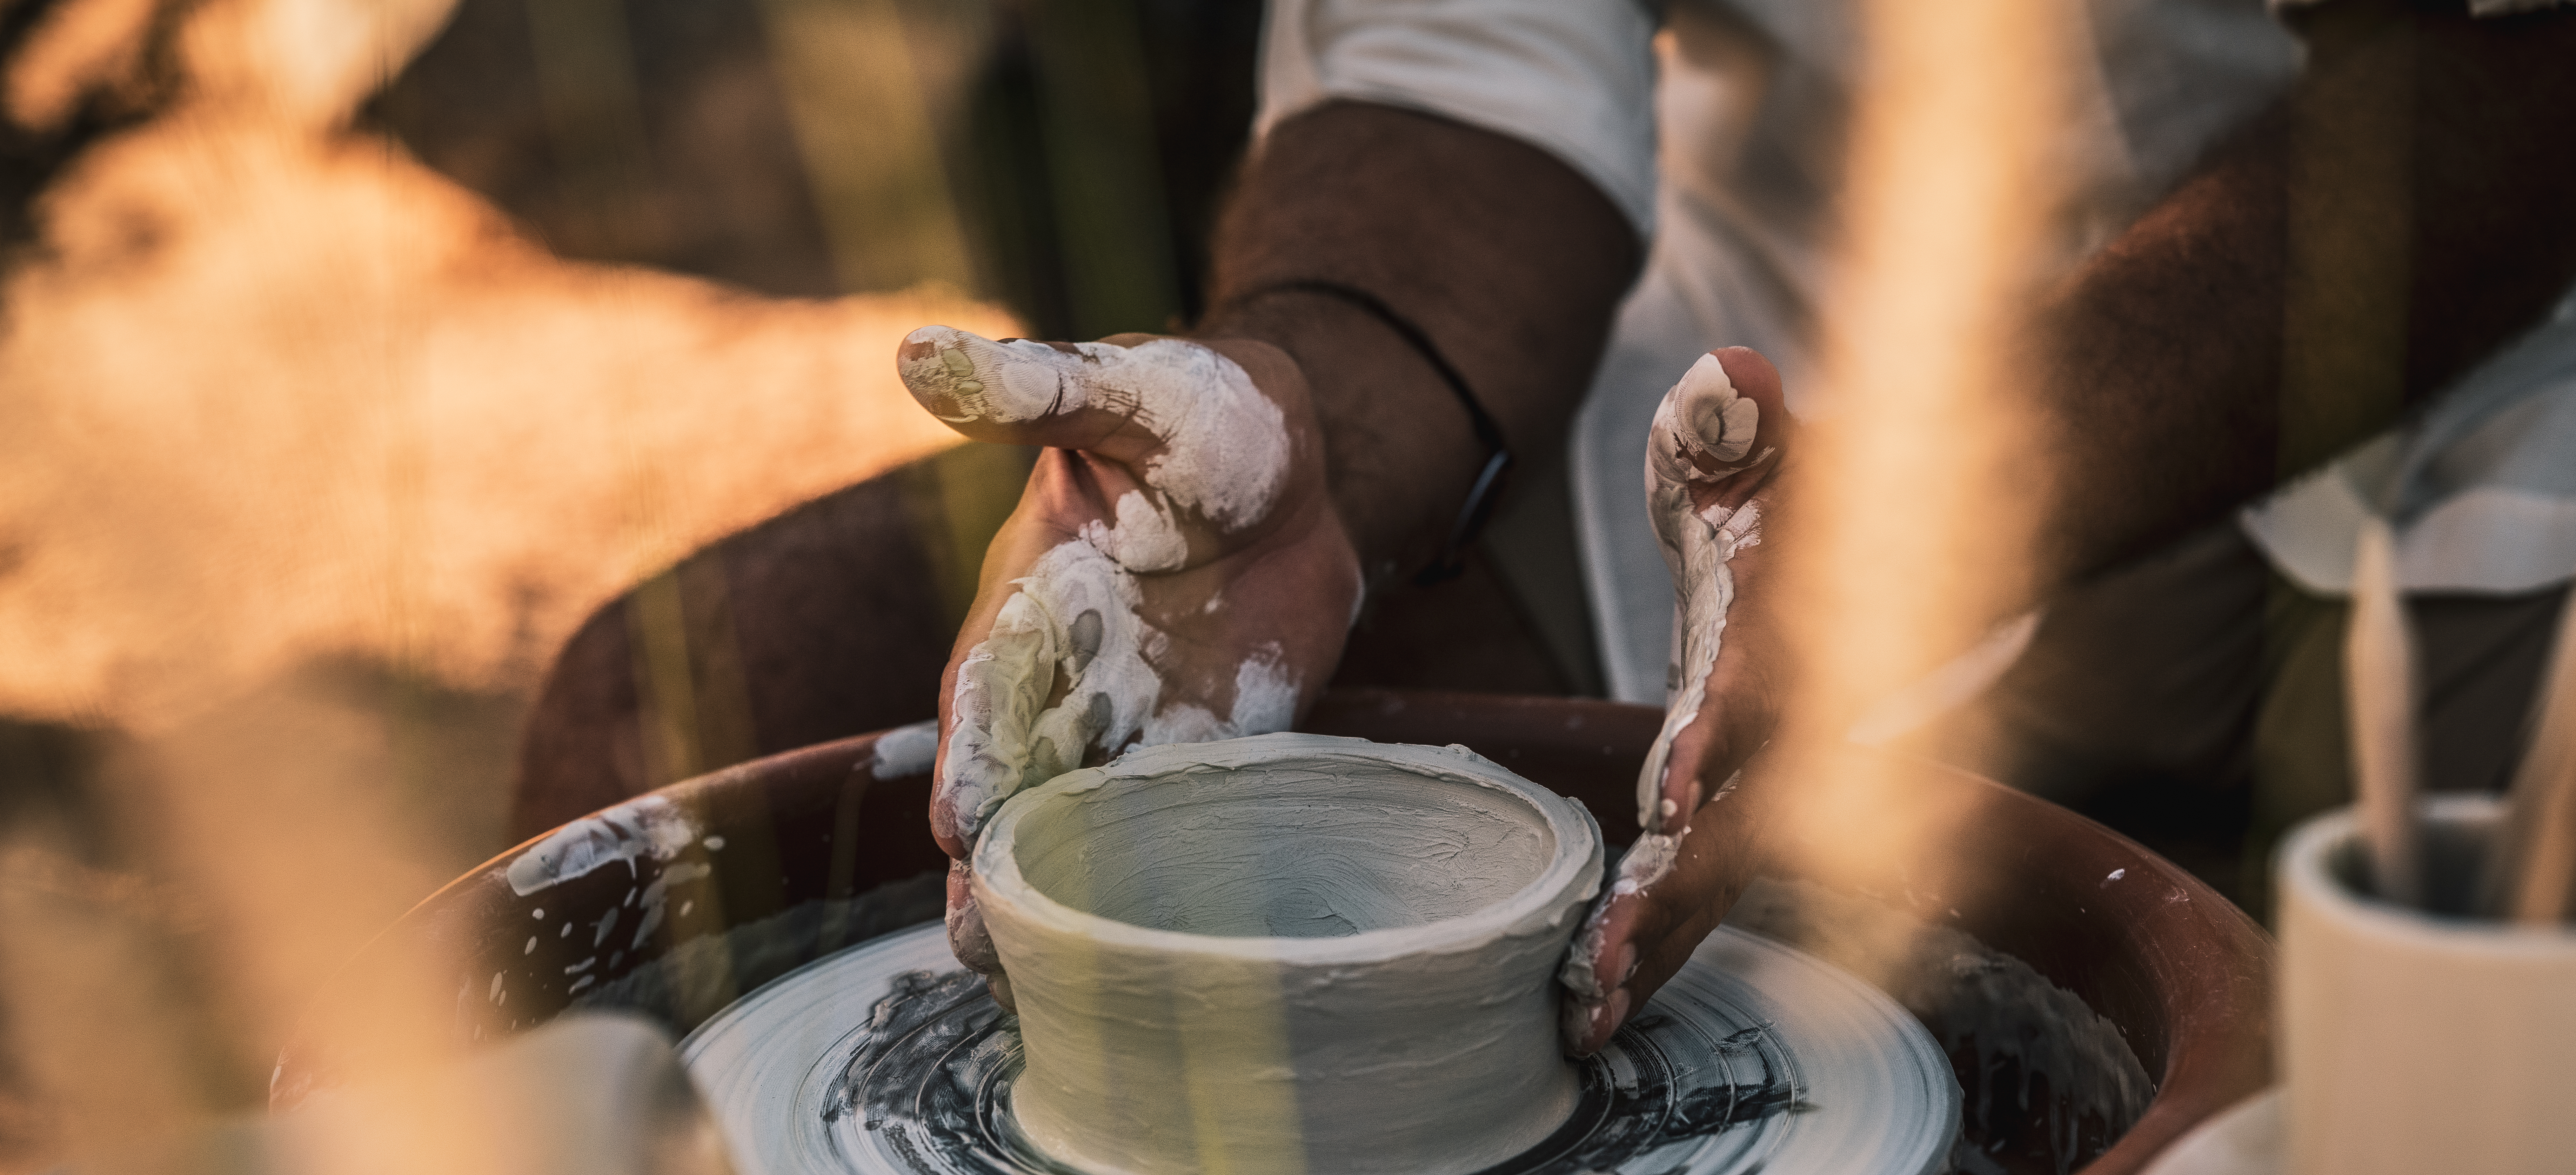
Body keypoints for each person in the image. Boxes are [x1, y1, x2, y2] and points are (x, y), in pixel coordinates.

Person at [520, 0, 2576, 1044]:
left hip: (2474, 393)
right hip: (1770, 354)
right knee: (689, 707)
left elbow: (2507, 84)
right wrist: (1314, 400)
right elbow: (1464, 64)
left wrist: (1930, 513)